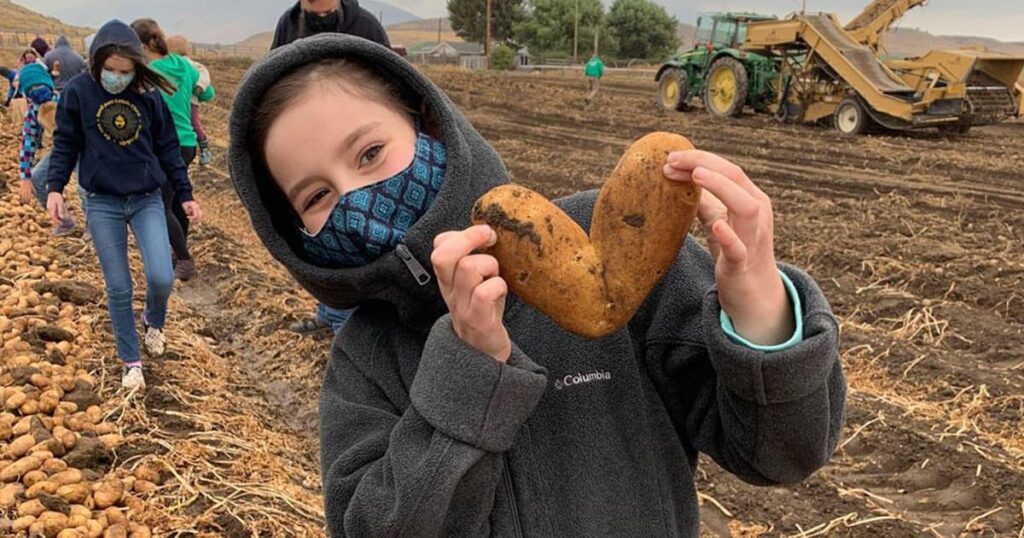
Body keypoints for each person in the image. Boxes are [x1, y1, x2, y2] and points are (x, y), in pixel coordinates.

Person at [228, 35, 845, 537]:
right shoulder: (367, 357)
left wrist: (761, 310)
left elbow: (782, 455)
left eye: (368, 154)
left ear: (431, 128)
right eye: (316, 196)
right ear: (295, 233)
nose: (357, 198)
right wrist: (469, 366)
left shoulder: (628, 257)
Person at [47, 20, 203, 390]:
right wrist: (55, 187)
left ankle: (154, 322)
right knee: (118, 286)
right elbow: (65, 143)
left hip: (147, 198)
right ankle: (131, 360)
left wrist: (185, 194)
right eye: (110, 71)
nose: (117, 78)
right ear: (97, 62)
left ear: (136, 68)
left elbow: (167, 149)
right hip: (102, 202)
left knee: (162, 276)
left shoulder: (149, 95)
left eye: (125, 72)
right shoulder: (78, 93)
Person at [270, 0, 386, 334]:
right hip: (311, 148)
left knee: (361, 234)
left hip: (358, 150)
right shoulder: (288, 24)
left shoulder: (365, 26)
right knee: (322, 234)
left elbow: (390, 80)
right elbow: (274, 76)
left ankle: (358, 330)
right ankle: (330, 314)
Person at [132, 18, 215, 282]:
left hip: (162, 145)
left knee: (159, 204)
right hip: (187, 143)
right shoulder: (184, 65)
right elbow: (208, 94)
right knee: (179, 198)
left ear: (143, 45)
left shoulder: (147, 72)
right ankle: (179, 255)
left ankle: (184, 259)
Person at [166, 35, 214, 166]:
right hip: (186, 102)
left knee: (194, 123)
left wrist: (199, 86)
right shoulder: (173, 65)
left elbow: (204, 75)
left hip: (190, 101)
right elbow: (209, 93)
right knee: (192, 124)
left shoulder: (191, 65)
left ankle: (205, 149)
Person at [270, 0, 389, 51]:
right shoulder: (288, 24)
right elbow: (273, 70)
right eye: (313, 15)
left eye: (328, 13)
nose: (322, 17)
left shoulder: (367, 26)